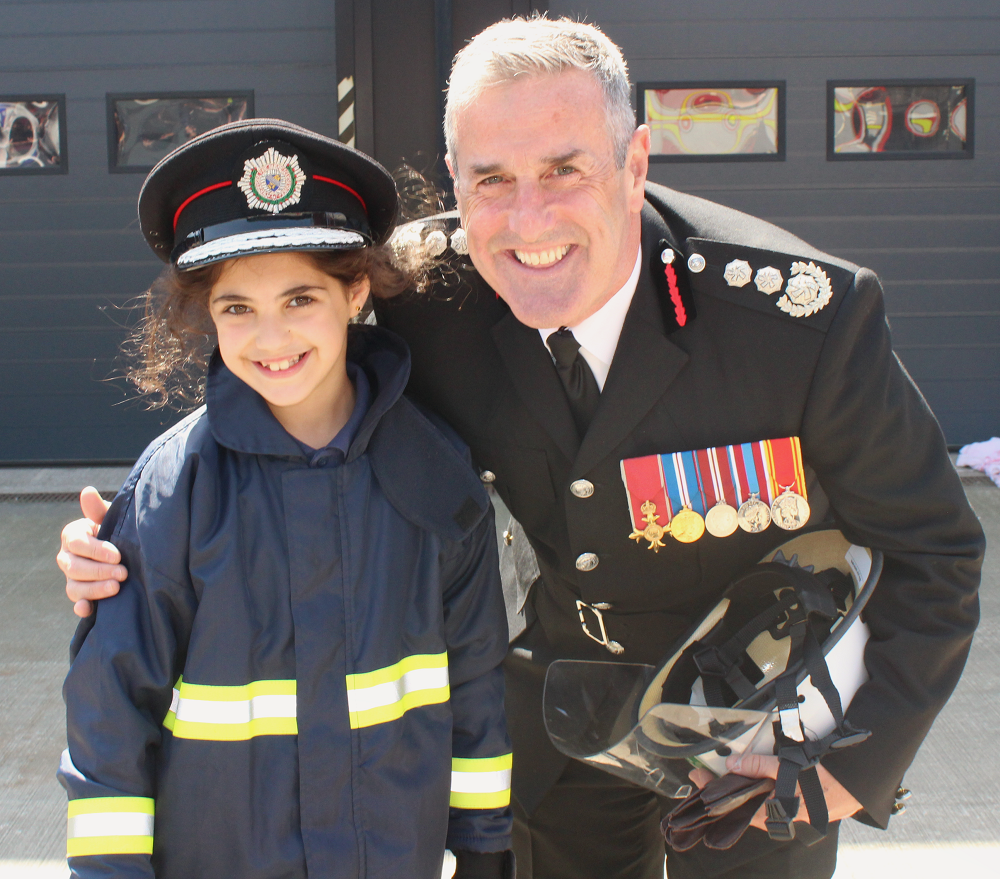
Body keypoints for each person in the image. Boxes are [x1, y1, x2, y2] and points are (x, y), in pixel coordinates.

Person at [60, 17, 984, 879]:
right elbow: (289, 373)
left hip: (753, 732)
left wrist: (848, 769)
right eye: (490, 179)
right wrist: (137, 539)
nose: (527, 220)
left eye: (564, 170)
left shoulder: (796, 324)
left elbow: (934, 550)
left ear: (635, 163)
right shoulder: (427, 298)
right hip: (556, 728)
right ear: (455, 182)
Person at [57, 119, 514, 879]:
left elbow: (475, 676)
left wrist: (485, 847)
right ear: (209, 313)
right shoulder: (174, 491)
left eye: (300, 297)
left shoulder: (433, 473)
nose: (271, 337)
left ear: (355, 289)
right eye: (237, 308)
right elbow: (110, 713)